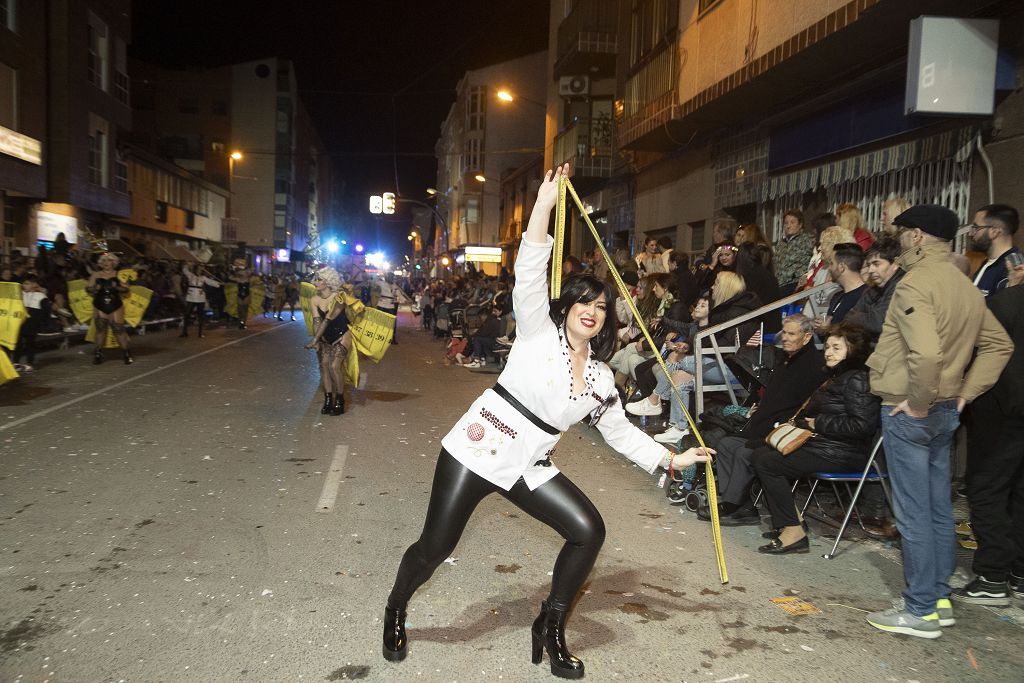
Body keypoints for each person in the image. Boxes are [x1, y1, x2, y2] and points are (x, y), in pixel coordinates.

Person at [382, 166, 713, 676]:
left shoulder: (602, 377)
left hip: (528, 464)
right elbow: (532, 266)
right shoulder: (538, 331)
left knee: (588, 530)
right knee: (434, 547)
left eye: (602, 307)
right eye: (585, 301)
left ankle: (551, 627)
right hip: (477, 449)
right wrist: (543, 203)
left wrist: (672, 458)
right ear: (567, 308)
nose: (593, 311)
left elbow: (620, 432)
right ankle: (397, 605)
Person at [865, 204, 1012, 639]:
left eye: (903, 232)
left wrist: (918, 400)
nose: (900, 240)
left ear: (916, 237)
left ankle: (921, 610)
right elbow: (999, 346)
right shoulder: (964, 284)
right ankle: (938, 597)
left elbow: (925, 353)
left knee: (913, 513)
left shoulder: (916, 283)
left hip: (911, 410)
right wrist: (964, 395)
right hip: (946, 409)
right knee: (936, 510)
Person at [752, 322, 881, 553]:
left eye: (837, 348)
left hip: (844, 453)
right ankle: (792, 521)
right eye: (828, 347)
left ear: (853, 350)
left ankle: (793, 531)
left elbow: (862, 425)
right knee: (762, 454)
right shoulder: (839, 376)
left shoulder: (858, 379)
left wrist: (818, 423)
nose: (829, 352)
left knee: (768, 462)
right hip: (828, 445)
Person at [696, 315, 827, 525]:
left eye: (791, 334)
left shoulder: (813, 365)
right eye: (784, 332)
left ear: (807, 337)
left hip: (785, 431)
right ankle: (741, 503)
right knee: (726, 444)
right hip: (765, 426)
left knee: (744, 451)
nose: (785, 338)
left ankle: (734, 504)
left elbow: (799, 409)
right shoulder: (785, 359)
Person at [955, 261, 1024, 606]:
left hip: (1000, 413)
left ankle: (993, 577)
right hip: (1008, 413)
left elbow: (981, 353)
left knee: (987, 491)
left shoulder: (1005, 302)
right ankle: (1019, 573)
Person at [305, 267, 351, 416]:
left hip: (342, 334)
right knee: (324, 366)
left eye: (319, 279)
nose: (316, 282)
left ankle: (339, 399)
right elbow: (317, 321)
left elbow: (327, 320)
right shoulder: (314, 299)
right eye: (316, 279)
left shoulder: (339, 297)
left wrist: (314, 339)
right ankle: (327, 399)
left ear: (328, 281)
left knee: (334, 365)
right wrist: (318, 340)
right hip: (324, 337)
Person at [845, 236, 904, 343]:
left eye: (876, 264)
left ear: (895, 264)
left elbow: (878, 323)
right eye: (868, 265)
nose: (871, 270)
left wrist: (859, 317)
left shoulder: (902, 287)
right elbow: (848, 317)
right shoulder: (873, 289)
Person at [86, 252, 133, 365]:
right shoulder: (95, 275)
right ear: (101, 263)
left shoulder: (119, 274)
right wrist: (95, 288)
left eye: (109, 261)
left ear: (114, 263)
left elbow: (126, 289)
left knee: (118, 329)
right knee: (101, 328)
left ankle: (126, 353)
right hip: (100, 303)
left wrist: (116, 287)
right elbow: (88, 289)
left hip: (115, 303)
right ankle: (98, 353)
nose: (106, 263)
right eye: (104, 261)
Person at [969, 203, 1019, 298]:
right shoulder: (988, 263)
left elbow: (1005, 310)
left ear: (994, 232)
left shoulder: (1014, 269)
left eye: (976, 228)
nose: (971, 234)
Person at [818, 243, 866, 329]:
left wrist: (829, 329)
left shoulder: (865, 297)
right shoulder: (836, 296)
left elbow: (857, 334)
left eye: (832, 263)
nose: (829, 268)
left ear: (841, 267)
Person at [774, 210, 814, 295]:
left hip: (796, 284)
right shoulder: (781, 244)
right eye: (786, 223)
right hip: (779, 285)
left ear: (800, 225)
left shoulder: (808, 240)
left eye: (792, 222)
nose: (788, 226)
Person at [180, 263, 221, 338]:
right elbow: (184, 270)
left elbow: (210, 282)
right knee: (187, 314)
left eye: (201, 269)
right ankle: (184, 332)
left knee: (200, 315)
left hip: (200, 297)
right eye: (198, 269)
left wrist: (219, 284)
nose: (199, 270)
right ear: (195, 269)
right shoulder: (191, 275)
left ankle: (200, 333)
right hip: (191, 297)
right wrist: (188, 263)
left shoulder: (203, 277)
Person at [229, 258, 253, 329]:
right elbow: (230, 277)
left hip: (247, 294)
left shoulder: (248, 278)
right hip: (239, 294)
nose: (243, 273)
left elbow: (250, 271)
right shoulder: (238, 279)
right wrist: (232, 270)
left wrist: (243, 266)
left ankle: (244, 323)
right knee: (240, 310)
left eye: (244, 272)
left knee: (245, 309)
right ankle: (241, 322)